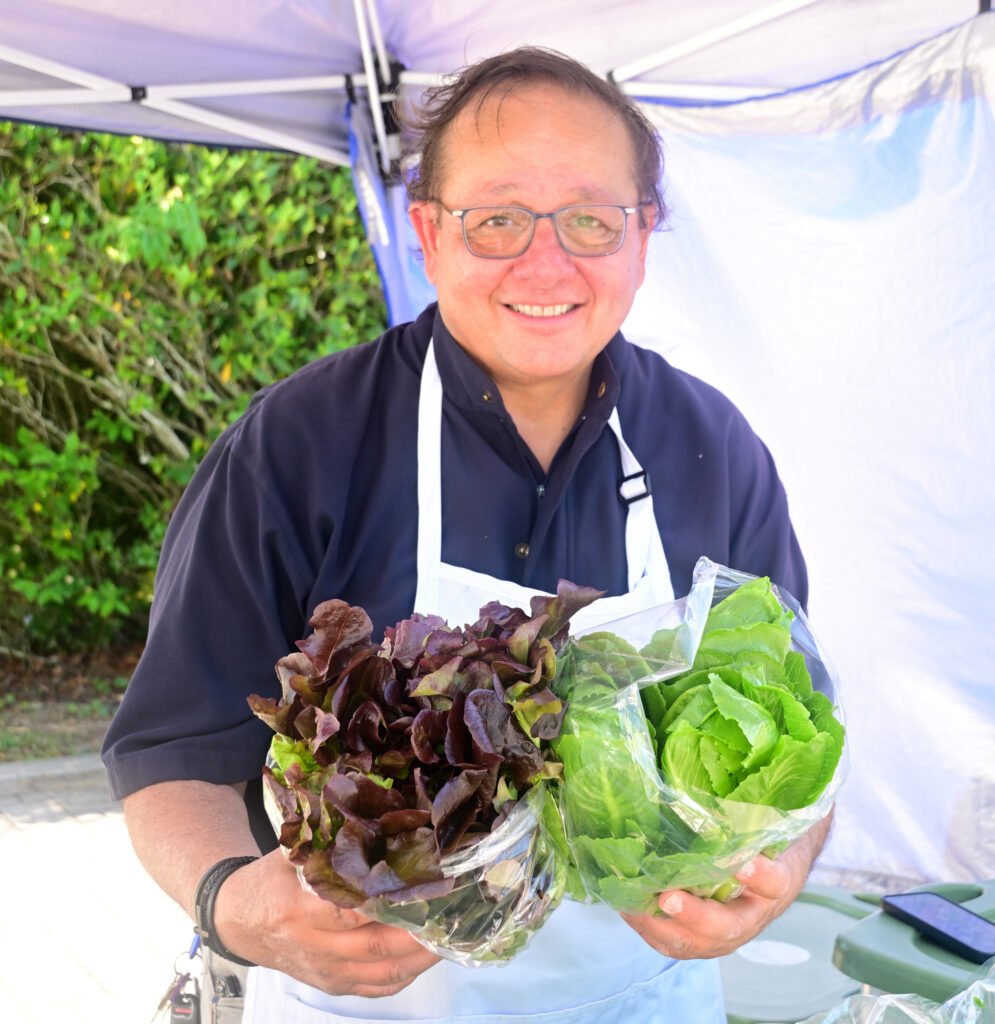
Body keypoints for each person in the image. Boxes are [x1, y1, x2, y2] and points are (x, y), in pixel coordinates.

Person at [102, 46, 832, 1024]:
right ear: (427, 233)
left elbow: (800, 730)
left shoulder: (712, 448)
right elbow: (171, 752)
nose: (545, 262)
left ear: (643, 234)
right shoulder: (298, 446)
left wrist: (776, 866)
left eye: (588, 219)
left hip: (642, 1000)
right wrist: (235, 904)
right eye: (495, 219)